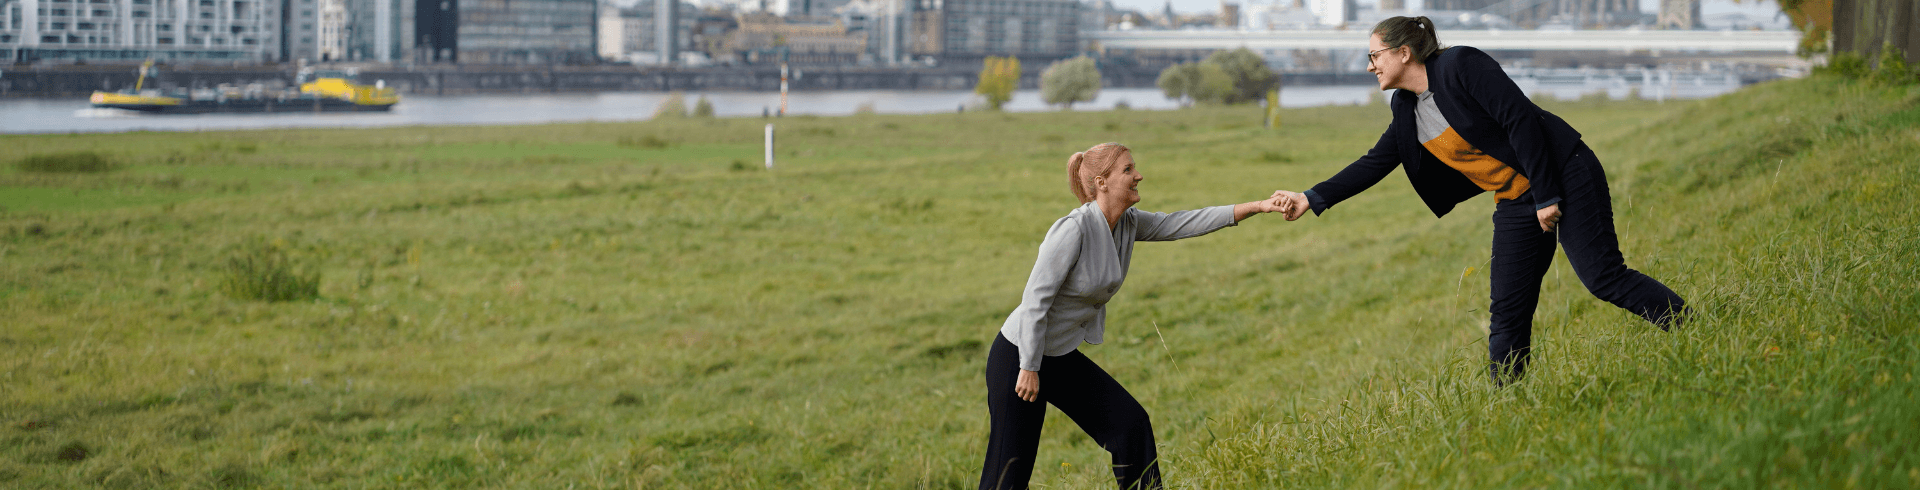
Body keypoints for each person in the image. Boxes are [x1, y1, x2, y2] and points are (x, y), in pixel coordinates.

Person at [1268, 16, 1688, 385]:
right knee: (1507, 308)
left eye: (1375, 54)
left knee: (1602, 277)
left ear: (1404, 52)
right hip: (1514, 198)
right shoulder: (1405, 107)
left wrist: (1546, 195)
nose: (1369, 65)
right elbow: (1376, 162)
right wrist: (1310, 197)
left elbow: (1520, 119)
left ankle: (1690, 327)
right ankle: (1508, 399)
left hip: (1563, 171)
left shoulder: (1461, 66)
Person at [980, 143, 1293, 490]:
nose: (1138, 175)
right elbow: (1035, 300)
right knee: (1009, 470)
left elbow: (1182, 222)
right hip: (1019, 356)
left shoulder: (1127, 224)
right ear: (1102, 182)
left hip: (1059, 355)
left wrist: (1259, 206)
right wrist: (1029, 367)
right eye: (1128, 170)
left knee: (1129, 425)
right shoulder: (1074, 229)